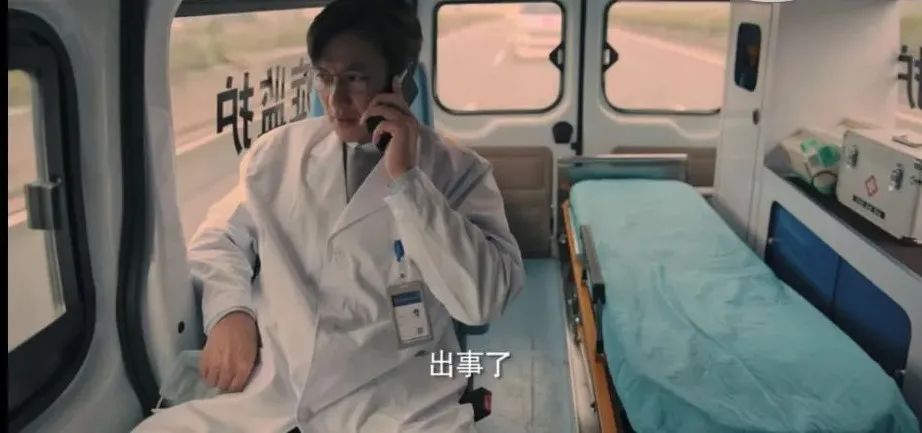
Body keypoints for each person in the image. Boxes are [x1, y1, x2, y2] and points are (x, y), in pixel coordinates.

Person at [132, 0, 524, 432]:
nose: (335, 100)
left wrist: (408, 182)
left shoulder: (459, 171)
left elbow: (482, 301)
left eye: (355, 78)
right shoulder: (277, 155)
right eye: (324, 76)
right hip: (276, 389)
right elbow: (220, 238)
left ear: (400, 79)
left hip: (401, 403)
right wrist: (229, 311)